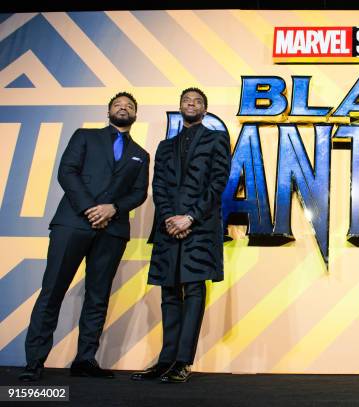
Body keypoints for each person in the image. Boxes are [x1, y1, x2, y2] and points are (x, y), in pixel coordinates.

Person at [19, 92, 150, 382]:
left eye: (129, 106)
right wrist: (92, 208)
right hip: (73, 223)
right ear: (108, 111)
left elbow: (139, 193)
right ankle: (34, 362)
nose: (123, 108)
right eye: (118, 105)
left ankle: (85, 359)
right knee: (52, 291)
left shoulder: (141, 153)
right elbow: (67, 172)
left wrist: (113, 208)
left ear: (135, 114)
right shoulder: (84, 136)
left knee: (98, 296)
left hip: (112, 231)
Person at [131, 87, 230, 383]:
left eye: (198, 101)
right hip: (167, 229)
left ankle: (183, 362)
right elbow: (158, 186)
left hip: (199, 228)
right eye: (187, 100)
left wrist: (189, 217)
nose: (192, 104)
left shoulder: (216, 140)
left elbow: (218, 183)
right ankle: (165, 360)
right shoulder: (164, 146)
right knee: (169, 292)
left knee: (195, 291)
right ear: (180, 107)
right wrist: (168, 219)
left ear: (205, 109)